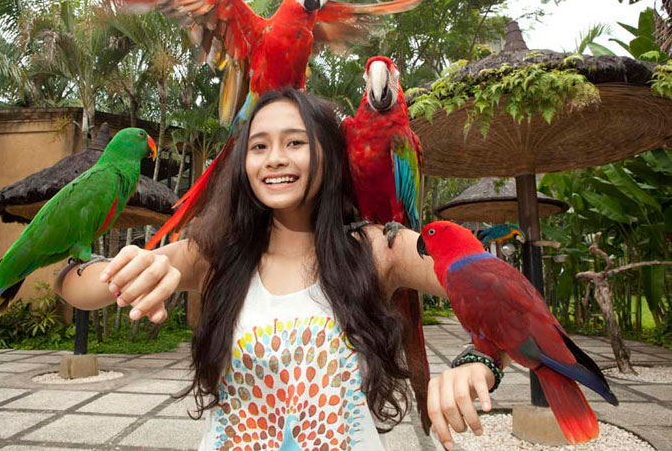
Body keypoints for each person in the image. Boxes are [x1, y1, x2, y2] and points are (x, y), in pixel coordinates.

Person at [55, 89, 506, 451]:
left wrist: (480, 360)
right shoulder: (215, 252)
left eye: (294, 142)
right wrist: (129, 269)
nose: (274, 158)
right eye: (259, 146)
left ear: (329, 155)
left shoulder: (377, 250)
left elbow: (503, 293)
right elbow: (74, 288)